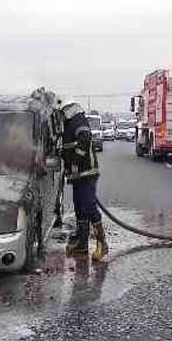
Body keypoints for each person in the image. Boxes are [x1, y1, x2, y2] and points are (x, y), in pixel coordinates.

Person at [60, 102, 108, 261]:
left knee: (89, 206)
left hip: (86, 172)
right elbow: (68, 146)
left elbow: (85, 139)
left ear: (68, 109)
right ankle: (82, 244)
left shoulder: (78, 120)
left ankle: (102, 244)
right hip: (77, 176)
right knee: (79, 208)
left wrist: (74, 161)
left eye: (62, 111)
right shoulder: (68, 123)